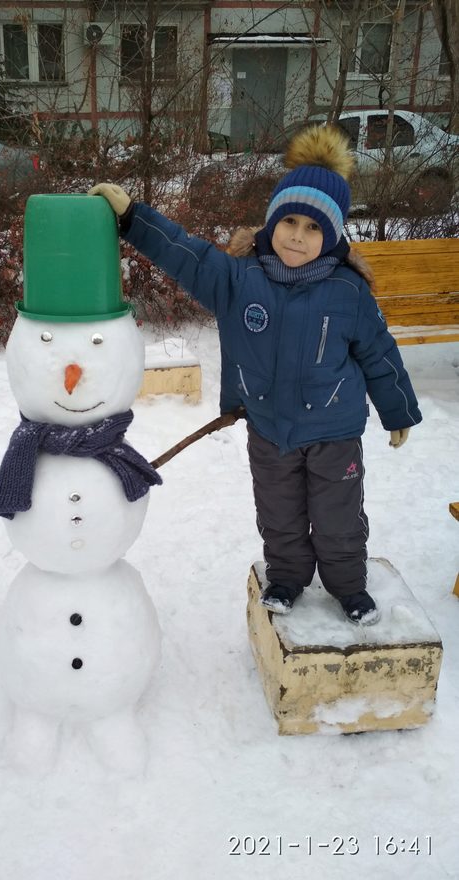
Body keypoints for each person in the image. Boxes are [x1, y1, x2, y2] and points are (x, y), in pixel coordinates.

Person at [88, 124, 422, 625]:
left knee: (338, 520)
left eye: (313, 229)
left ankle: (349, 586)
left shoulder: (348, 291)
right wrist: (134, 218)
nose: (298, 236)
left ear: (331, 235)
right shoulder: (238, 280)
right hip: (267, 428)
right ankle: (285, 580)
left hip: (334, 432)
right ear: (272, 222)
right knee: (279, 514)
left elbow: (379, 352)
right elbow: (184, 252)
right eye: (290, 221)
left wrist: (398, 409)